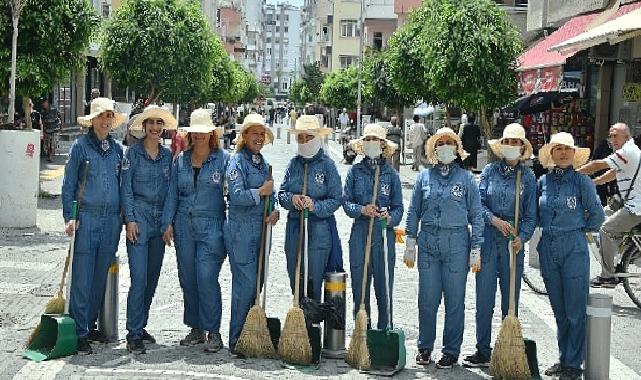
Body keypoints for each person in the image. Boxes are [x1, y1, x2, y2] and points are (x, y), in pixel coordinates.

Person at [404, 127, 484, 369]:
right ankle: (425, 347)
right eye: (441, 142)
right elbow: (414, 210)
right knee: (427, 299)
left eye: (450, 142)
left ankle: (451, 351)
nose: (446, 146)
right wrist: (410, 241)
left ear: (457, 148)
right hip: (428, 242)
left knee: (454, 301)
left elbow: (477, 216)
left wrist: (475, 248)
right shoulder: (424, 178)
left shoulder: (467, 179)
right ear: (434, 148)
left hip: (457, 244)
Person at [463, 123, 537, 368]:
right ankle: (482, 349)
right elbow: (477, 205)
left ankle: (508, 350)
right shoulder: (489, 172)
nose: (511, 147)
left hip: (512, 245)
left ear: (522, 147)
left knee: (510, 301)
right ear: (501, 146)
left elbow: (531, 214)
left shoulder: (528, 177)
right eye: (507, 142)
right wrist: (493, 220)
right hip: (488, 241)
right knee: (484, 300)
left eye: (516, 143)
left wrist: (522, 237)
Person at [537, 132, 605, 380]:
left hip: (574, 248)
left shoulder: (582, 182)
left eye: (567, 148)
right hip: (548, 248)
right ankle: (563, 357)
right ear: (551, 154)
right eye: (558, 149)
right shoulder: (542, 182)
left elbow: (597, 216)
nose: (563, 153)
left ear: (574, 154)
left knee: (575, 310)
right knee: (559, 310)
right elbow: (534, 214)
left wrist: (578, 229)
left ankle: (574, 365)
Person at [161, 109, 229, 353]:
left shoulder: (224, 159)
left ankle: (214, 331)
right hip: (183, 226)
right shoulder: (180, 160)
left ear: (211, 134)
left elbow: (234, 191)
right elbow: (172, 195)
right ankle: (196, 328)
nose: (199, 135)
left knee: (206, 277)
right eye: (195, 132)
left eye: (203, 131)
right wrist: (167, 223)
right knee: (187, 278)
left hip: (212, 227)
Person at [61, 97, 125, 354]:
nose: (106, 121)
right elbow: (68, 185)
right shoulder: (80, 148)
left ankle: (89, 323)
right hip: (86, 217)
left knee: (100, 277)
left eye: (109, 116)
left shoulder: (117, 149)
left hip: (111, 221)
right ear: (93, 121)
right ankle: (79, 332)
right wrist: (70, 216)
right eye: (102, 116)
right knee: (83, 277)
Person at [121, 105, 176, 354]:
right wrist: (130, 219)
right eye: (150, 123)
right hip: (139, 222)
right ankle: (133, 333)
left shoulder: (168, 157)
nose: (155, 127)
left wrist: (167, 224)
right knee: (139, 279)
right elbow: (126, 190)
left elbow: (171, 194)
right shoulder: (132, 155)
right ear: (143, 127)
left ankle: (140, 325)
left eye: (158, 123)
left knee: (152, 280)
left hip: (159, 224)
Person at [225, 113, 279, 355]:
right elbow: (236, 195)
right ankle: (236, 337)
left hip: (261, 230)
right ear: (244, 135)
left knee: (258, 282)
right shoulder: (237, 162)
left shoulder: (263, 163)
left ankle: (249, 332)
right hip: (240, 231)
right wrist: (260, 192)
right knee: (245, 285)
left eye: (261, 134)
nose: (258, 137)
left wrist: (274, 210)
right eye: (254, 133)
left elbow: (271, 195)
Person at [343, 124, 404, 331]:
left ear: (382, 144)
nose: (371, 143)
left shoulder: (390, 174)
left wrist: (389, 217)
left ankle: (385, 331)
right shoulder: (355, 172)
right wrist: (361, 209)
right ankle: (362, 331)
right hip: (360, 232)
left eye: (375, 140)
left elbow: (399, 208)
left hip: (383, 235)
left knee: (384, 286)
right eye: (367, 139)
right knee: (360, 286)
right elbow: (346, 202)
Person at [278, 115, 342, 301]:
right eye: (300, 138)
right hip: (294, 229)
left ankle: (312, 324)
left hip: (319, 231)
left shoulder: (328, 165)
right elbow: (282, 194)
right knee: (295, 277)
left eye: (308, 137)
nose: (304, 141)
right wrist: (293, 199)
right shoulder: (293, 164)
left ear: (317, 137)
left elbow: (337, 198)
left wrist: (315, 205)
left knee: (313, 281)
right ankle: (297, 322)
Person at [579, 123, 641, 288]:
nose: (612, 139)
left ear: (626, 137)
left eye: (616, 135)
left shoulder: (628, 151)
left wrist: (573, 174)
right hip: (628, 202)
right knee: (600, 215)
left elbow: (598, 165)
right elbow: (613, 173)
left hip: (636, 207)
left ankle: (608, 276)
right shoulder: (627, 152)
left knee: (606, 229)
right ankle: (622, 254)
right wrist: (595, 182)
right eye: (610, 135)